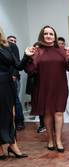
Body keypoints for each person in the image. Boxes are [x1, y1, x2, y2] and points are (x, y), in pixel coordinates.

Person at [25, 25, 69, 153]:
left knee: (59, 113)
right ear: (42, 35)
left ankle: (58, 140)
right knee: (47, 113)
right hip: (43, 86)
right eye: (46, 33)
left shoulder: (62, 50)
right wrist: (28, 58)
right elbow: (30, 71)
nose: (48, 36)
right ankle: (50, 140)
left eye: (51, 34)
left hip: (60, 87)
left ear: (55, 36)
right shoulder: (37, 51)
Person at [0, 26, 33, 159]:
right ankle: (2, 148)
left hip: (8, 84)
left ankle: (12, 144)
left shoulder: (6, 46)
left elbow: (18, 65)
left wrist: (26, 55)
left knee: (10, 115)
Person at [7, 35, 25, 130]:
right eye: (11, 40)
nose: (13, 42)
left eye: (14, 40)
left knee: (15, 99)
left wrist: (14, 74)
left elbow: (16, 62)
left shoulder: (14, 48)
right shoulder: (5, 48)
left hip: (14, 77)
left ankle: (20, 121)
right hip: (5, 78)